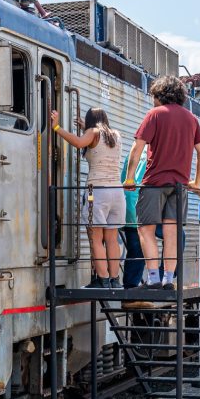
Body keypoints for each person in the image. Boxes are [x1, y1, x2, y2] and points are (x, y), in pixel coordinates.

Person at [123, 76, 200, 290]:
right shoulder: (191, 119)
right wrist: (196, 182)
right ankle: (168, 279)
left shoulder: (154, 115)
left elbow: (137, 148)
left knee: (145, 230)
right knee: (172, 233)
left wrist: (130, 177)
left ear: (160, 94)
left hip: (154, 183)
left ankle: (152, 278)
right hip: (180, 187)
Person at [51, 108, 124, 288]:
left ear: (90, 121)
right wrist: (87, 128)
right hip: (117, 193)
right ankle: (114, 281)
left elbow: (78, 142)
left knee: (96, 237)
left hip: (97, 192)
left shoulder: (92, 133)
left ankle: (102, 280)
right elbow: (98, 143)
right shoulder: (115, 135)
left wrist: (56, 127)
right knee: (112, 239)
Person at [120, 151, 148, 289]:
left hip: (134, 204)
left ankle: (131, 287)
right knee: (137, 248)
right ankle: (131, 287)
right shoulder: (143, 154)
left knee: (136, 248)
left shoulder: (135, 151)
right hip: (139, 206)